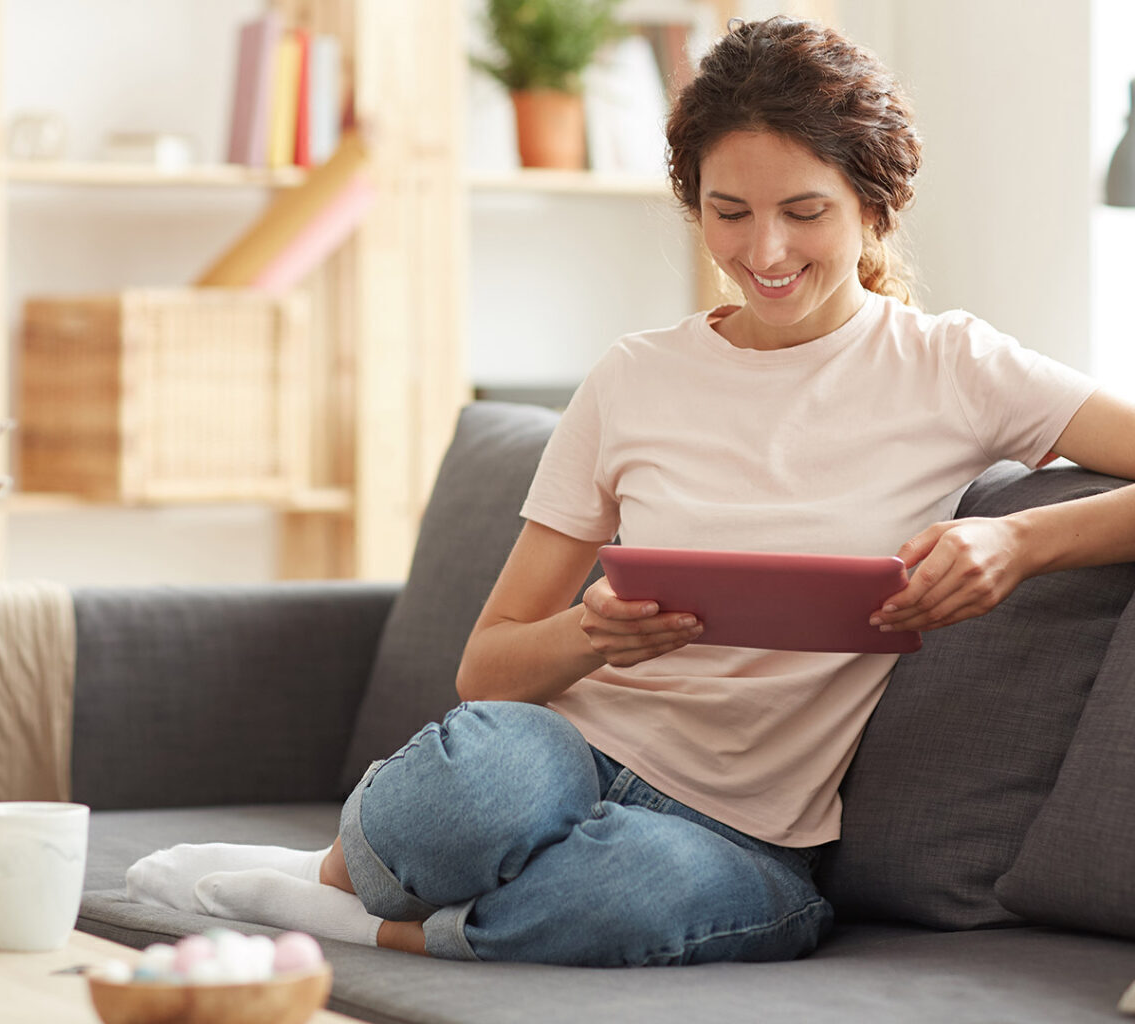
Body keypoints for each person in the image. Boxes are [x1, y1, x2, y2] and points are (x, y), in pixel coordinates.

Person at [124, 17, 1135, 967]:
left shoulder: (953, 367)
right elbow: (488, 667)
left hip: (742, 829)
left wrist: (1023, 543)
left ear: (875, 201)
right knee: (483, 777)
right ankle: (355, 873)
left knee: (634, 893)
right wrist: (592, 634)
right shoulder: (633, 377)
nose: (765, 253)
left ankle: (346, 916)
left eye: (805, 212)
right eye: (729, 213)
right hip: (567, 746)